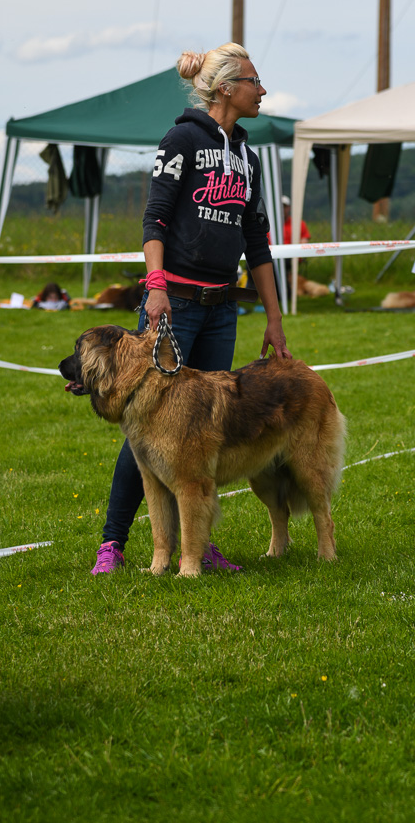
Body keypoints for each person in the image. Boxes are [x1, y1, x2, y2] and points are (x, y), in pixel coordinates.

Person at [91, 42, 292, 575]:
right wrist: (156, 286)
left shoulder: (248, 158)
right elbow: (154, 219)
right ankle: (113, 543)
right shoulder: (180, 139)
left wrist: (274, 318)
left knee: (202, 437)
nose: (262, 90)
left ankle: (197, 546)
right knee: (146, 427)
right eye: (254, 81)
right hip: (173, 306)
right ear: (226, 88)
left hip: (222, 309)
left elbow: (258, 243)